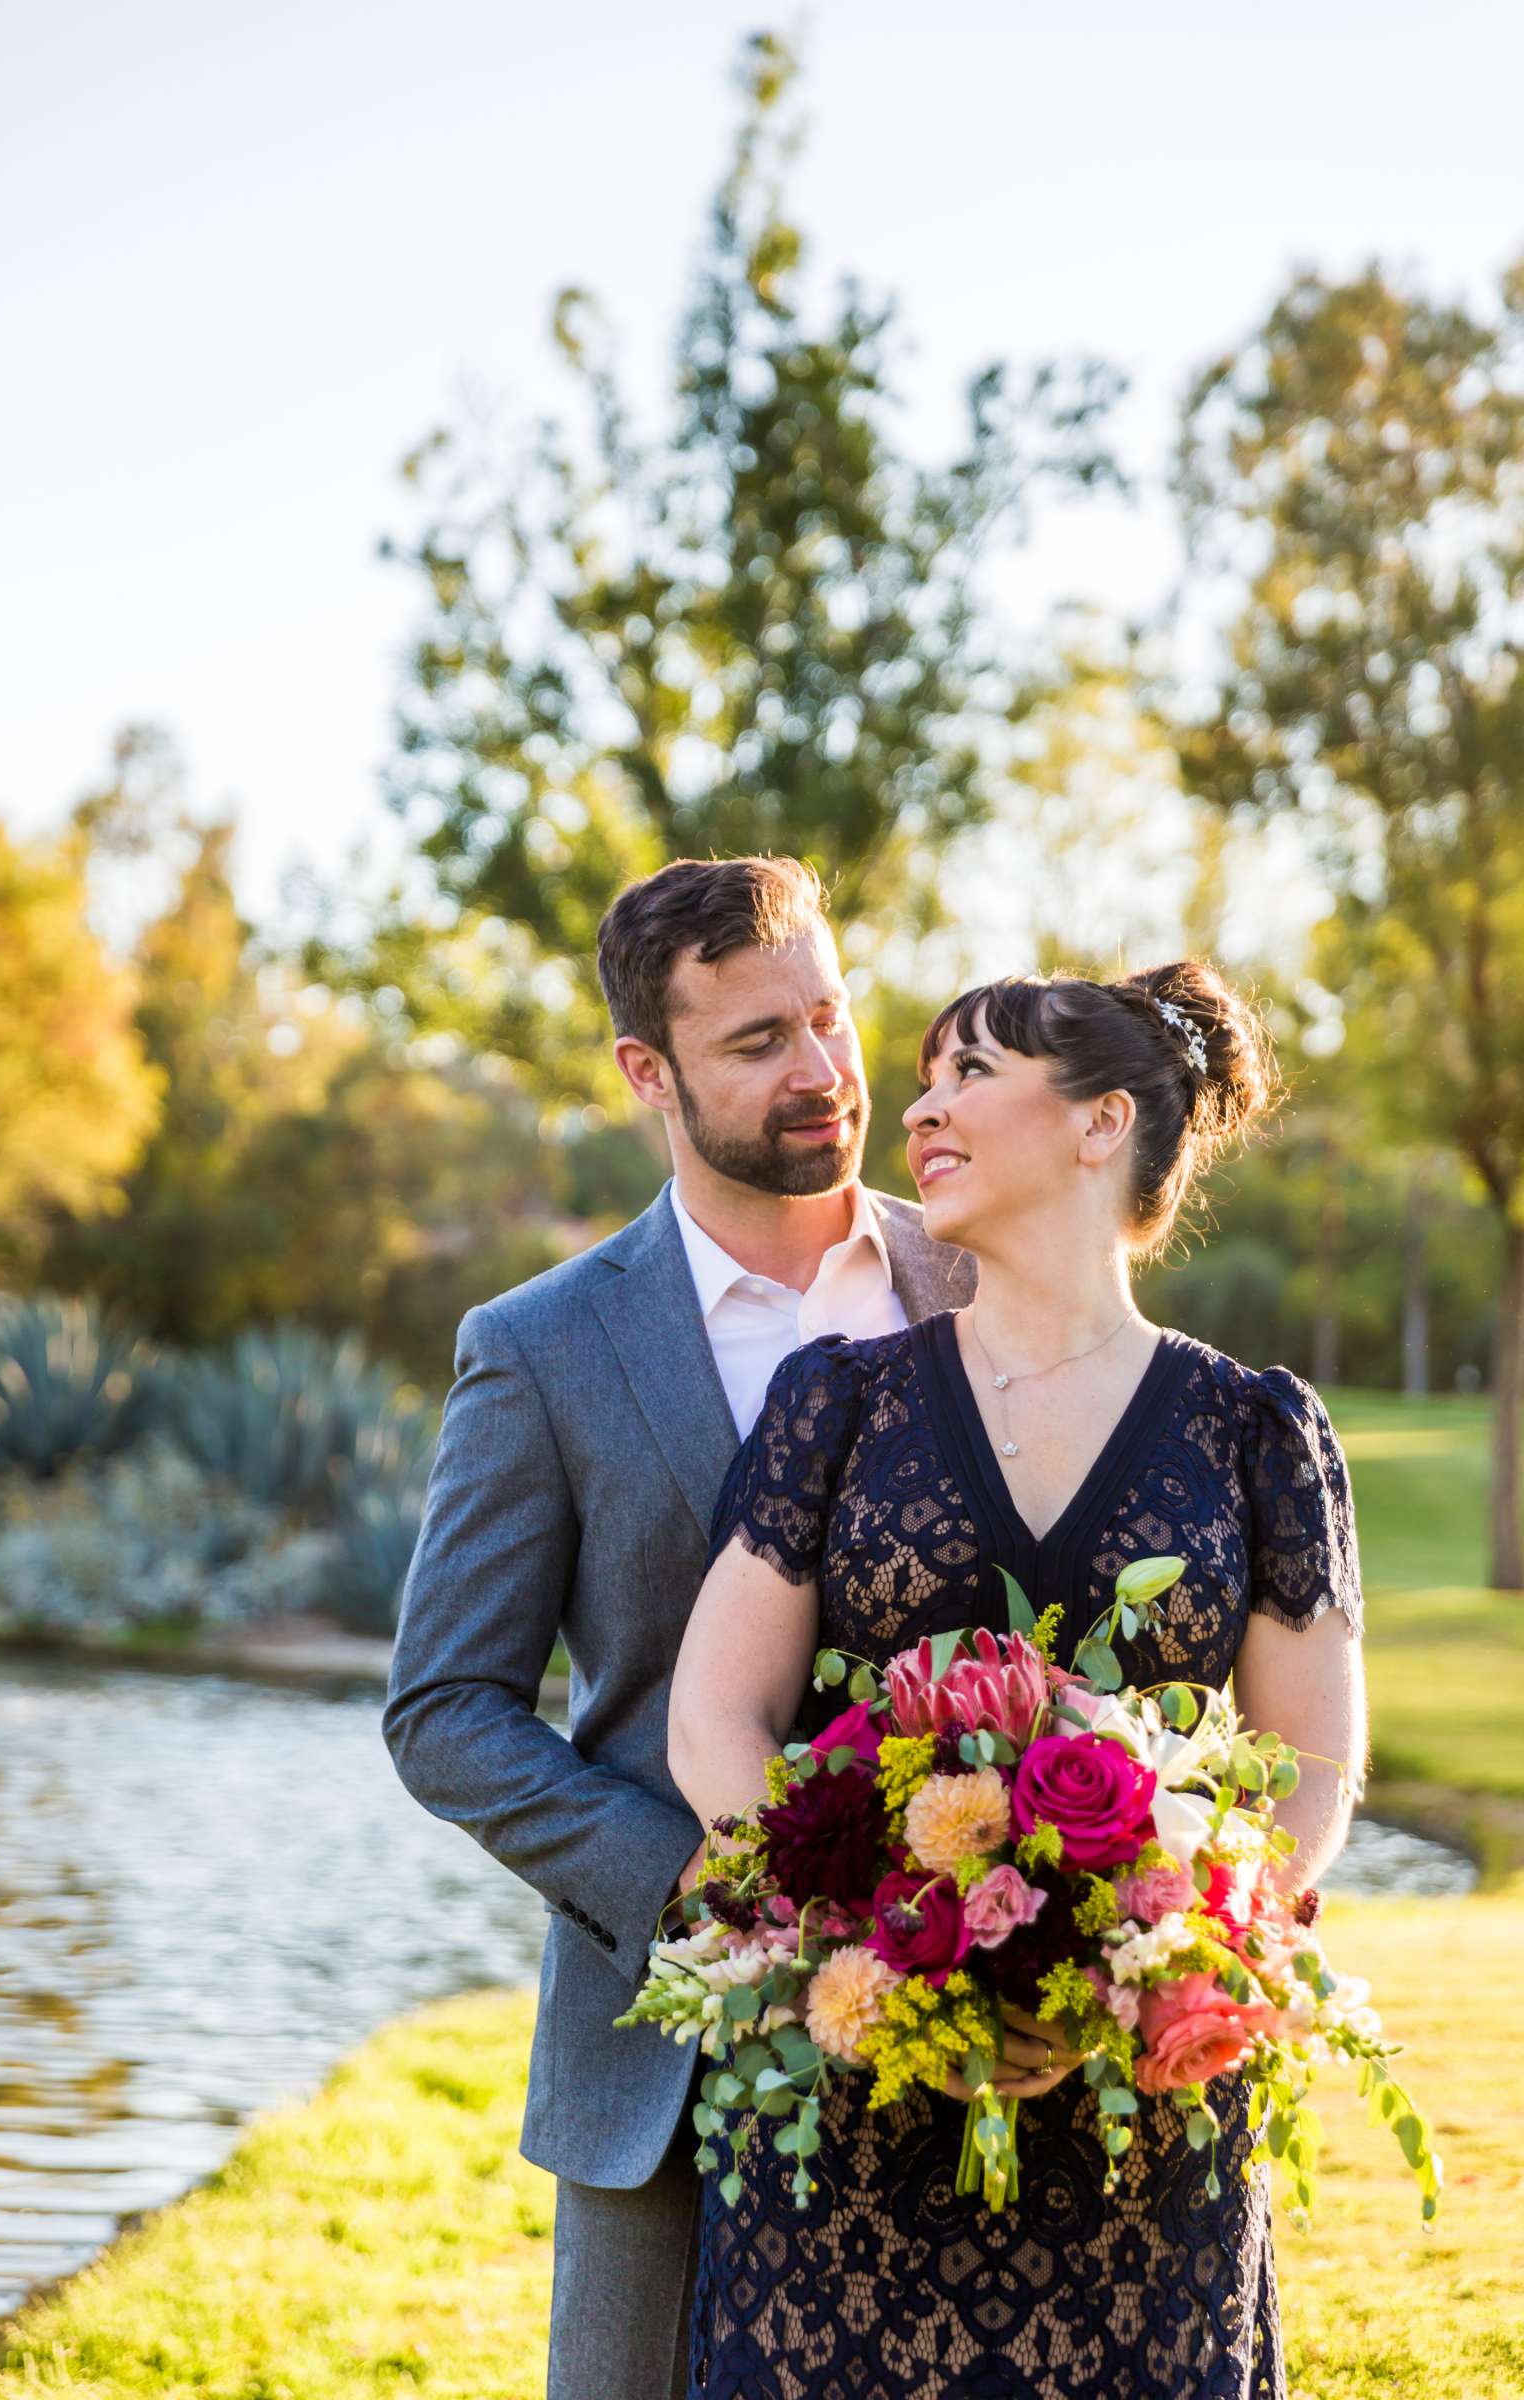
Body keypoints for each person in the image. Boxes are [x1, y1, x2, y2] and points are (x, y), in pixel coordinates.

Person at [669, 961, 1367, 2400]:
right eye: (923, 1078)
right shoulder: (837, 1405)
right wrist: (851, 1945)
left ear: (1103, 1122)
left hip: (1140, 2128)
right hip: (856, 2119)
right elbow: (714, 1716)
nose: (918, 1108)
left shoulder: (1255, 1433)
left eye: (970, 1074)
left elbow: (1310, 1775)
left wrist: (1153, 1966)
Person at [382, 854, 971, 2400]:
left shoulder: (980, 1280)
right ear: (648, 1071)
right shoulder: (541, 1348)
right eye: (756, 1042)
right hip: (673, 2055)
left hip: (992, 2014)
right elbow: (444, 1711)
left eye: (831, 1018)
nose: (823, 1072)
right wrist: (694, 1880)